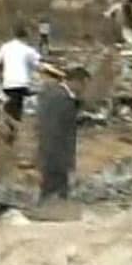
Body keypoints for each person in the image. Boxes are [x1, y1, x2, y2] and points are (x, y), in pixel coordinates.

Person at [37, 66, 90, 200]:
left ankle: (50, 212)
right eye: (84, 84)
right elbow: (57, 128)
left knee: (51, 188)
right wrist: (65, 157)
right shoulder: (62, 99)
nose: (84, 89)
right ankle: (51, 213)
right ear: (77, 82)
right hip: (56, 151)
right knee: (54, 189)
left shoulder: (53, 94)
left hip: (50, 149)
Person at [0, 24, 41, 122]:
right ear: (25, 36)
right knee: (17, 105)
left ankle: (9, 117)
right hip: (21, 83)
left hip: (7, 83)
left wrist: (0, 76)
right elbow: (39, 63)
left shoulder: (5, 47)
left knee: (13, 102)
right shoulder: (28, 49)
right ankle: (14, 121)